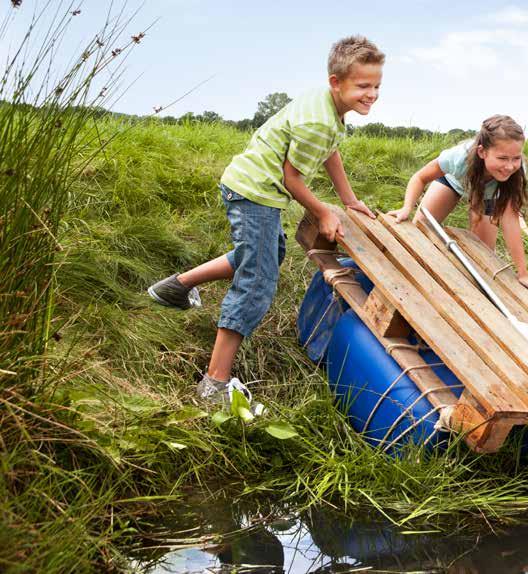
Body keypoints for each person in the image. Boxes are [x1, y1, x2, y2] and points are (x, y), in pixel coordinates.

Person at [146, 36, 385, 404]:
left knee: (265, 255)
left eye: (377, 86)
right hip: (254, 192)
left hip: (250, 187)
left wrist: (348, 200)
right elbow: (292, 178)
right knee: (256, 283)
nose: (372, 94)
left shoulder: (329, 108)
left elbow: (329, 151)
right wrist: (323, 211)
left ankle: (175, 287)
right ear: (336, 82)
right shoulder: (318, 122)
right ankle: (214, 385)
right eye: (363, 86)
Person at [387, 115, 528, 293]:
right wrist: (407, 208)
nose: (510, 166)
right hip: (454, 183)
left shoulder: (515, 173)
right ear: (482, 152)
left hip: (488, 196)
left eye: (516, 158)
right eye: (503, 158)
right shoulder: (459, 158)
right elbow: (420, 177)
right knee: (421, 230)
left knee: (482, 258)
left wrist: (522, 273)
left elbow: (511, 222)